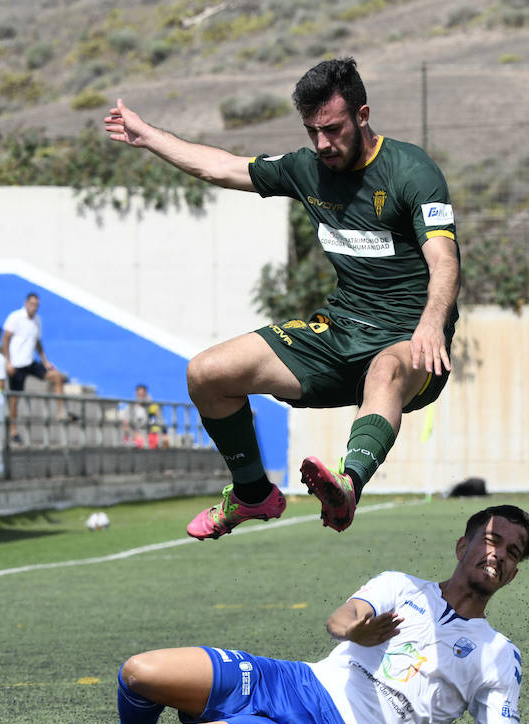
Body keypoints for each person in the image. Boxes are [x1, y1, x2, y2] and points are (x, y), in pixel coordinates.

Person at [0, 505, 529, 724]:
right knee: (139, 673)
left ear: (514, 571)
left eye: (510, 552)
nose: (496, 554)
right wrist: (358, 630)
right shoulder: (402, 585)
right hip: (293, 683)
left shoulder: (496, 653)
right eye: (489, 538)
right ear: (462, 543)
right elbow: (343, 620)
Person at [105, 57, 460, 540]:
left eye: (332, 129)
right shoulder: (307, 169)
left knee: (385, 369)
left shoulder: (411, 172)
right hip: (337, 333)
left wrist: (431, 322)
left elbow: (444, 260)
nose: (322, 144)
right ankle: (253, 494)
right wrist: (148, 136)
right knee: (206, 374)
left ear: (362, 114)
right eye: (313, 131)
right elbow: (221, 167)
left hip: (408, 340)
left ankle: (346, 488)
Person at [1, 291, 70, 431]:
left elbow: (38, 342)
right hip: (16, 364)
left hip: (30, 361)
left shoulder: (37, 320)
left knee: (57, 377)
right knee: (15, 398)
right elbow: (6, 339)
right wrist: (8, 362)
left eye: (36, 305)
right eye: (32, 304)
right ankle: (13, 430)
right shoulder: (15, 317)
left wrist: (45, 361)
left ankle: (61, 412)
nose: (34, 307)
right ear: (26, 303)